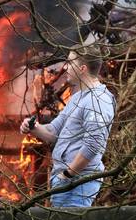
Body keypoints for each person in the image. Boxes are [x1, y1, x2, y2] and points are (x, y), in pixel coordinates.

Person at [20, 45, 114, 208]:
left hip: (77, 184)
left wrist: (68, 174)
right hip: (66, 183)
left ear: (82, 68)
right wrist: (33, 127)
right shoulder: (78, 98)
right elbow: (53, 132)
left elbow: (94, 144)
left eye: (70, 63)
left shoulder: (98, 100)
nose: (65, 67)